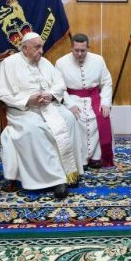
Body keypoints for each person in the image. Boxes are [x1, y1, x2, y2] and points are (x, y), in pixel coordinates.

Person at [0, 32, 87, 199]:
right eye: (37, 47)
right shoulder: (9, 64)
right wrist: (27, 100)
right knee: (35, 128)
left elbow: (59, 84)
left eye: (42, 46)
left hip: (48, 107)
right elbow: (0, 95)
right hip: (21, 111)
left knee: (69, 118)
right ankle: (53, 180)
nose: (41, 51)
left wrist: (50, 94)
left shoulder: (45, 63)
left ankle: (70, 172)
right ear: (25, 48)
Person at [55, 33, 115, 169]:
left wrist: (105, 102)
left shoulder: (98, 60)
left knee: (102, 115)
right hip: (72, 98)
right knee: (76, 117)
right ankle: (80, 159)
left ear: (88, 47)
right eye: (76, 50)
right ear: (71, 48)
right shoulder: (61, 62)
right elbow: (58, 87)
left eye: (83, 50)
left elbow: (106, 82)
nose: (80, 54)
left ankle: (97, 157)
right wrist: (69, 104)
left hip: (94, 97)